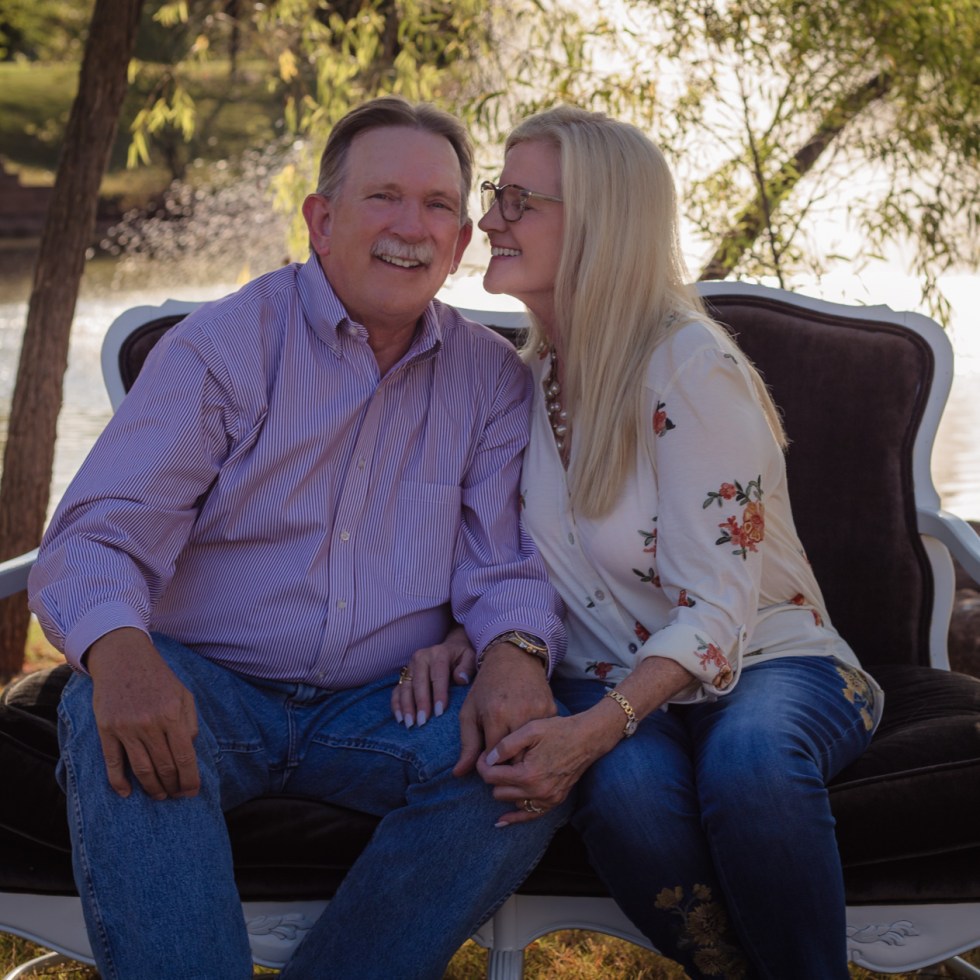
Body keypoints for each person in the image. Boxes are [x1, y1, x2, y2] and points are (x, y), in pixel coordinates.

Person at [28, 96, 570, 980]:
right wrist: (121, 654)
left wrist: (515, 648)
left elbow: (503, 562)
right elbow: (96, 537)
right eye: (383, 197)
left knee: (524, 763)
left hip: (387, 703)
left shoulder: (490, 381)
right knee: (110, 717)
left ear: (461, 241)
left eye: (437, 205)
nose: (411, 227)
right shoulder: (223, 349)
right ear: (320, 220)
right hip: (209, 686)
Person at [395, 105, 882, 979]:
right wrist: (472, 634)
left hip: (773, 660)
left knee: (752, 766)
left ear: (601, 224)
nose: (490, 218)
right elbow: (519, 558)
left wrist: (595, 728)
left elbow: (720, 610)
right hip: (608, 670)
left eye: (519, 201)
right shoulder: (524, 382)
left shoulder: (689, 368)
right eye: (498, 193)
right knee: (624, 797)